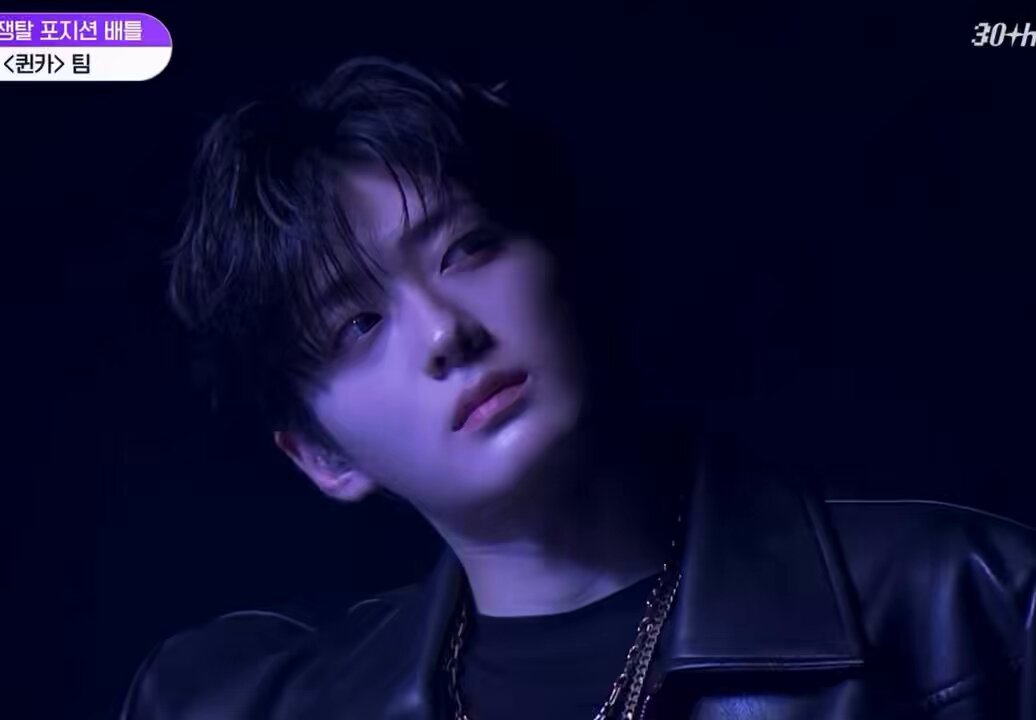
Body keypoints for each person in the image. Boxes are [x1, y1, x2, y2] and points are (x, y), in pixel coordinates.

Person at [118, 55, 1036, 720]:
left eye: (467, 247)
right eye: (356, 324)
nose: (445, 331)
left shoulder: (967, 603)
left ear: (565, 263)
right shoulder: (246, 701)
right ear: (322, 457)